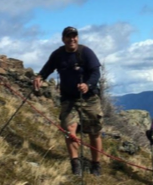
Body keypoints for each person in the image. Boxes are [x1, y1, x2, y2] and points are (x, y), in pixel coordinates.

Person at [34, 27, 103, 176]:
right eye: (68, 36)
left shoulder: (86, 52)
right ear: (63, 39)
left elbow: (96, 72)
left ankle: (96, 164)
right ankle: (75, 163)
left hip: (89, 99)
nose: (72, 39)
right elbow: (48, 68)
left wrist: (88, 85)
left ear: (77, 37)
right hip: (68, 99)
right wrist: (40, 77)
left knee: (94, 132)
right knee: (69, 130)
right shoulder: (58, 54)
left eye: (74, 36)